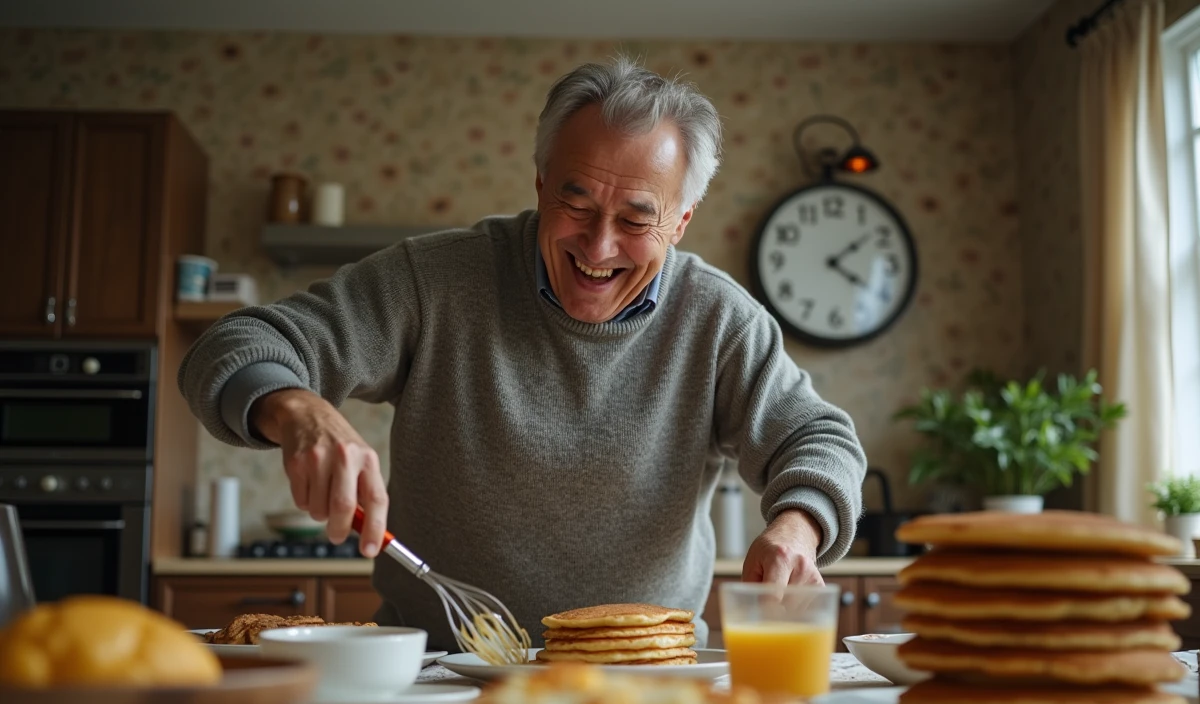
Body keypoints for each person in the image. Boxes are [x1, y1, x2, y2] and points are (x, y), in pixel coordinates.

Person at [178, 55, 867, 651]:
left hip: (646, 676)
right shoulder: (434, 280)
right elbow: (233, 344)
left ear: (681, 222)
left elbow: (818, 434)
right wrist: (298, 409)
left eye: (635, 219)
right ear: (540, 184)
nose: (598, 248)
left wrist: (798, 526)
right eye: (576, 205)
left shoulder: (720, 321)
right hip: (443, 669)